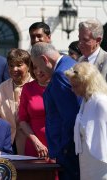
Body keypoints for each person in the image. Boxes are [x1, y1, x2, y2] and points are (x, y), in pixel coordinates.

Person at [31, 42, 81, 180]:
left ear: (44, 59)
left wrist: (63, 149)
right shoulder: (70, 62)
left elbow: (70, 117)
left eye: (39, 66)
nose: (40, 71)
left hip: (68, 150)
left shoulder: (59, 75)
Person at [65, 62, 107, 180]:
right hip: (88, 161)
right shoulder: (86, 101)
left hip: (102, 163)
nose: (72, 90)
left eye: (75, 86)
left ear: (86, 83)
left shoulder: (100, 101)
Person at [78, 19, 107, 129]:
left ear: (97, 40)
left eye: (85, 40)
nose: (80, 43)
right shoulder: (80, 61)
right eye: (79, 38)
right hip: (83, 128)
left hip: (103, 128)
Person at [0, 48, 32, 155]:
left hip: (31, 142)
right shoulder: (2, 87)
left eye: (19, 65)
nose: (14, 69)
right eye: (11, 66)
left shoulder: (36, 85)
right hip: (8, 143)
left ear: (28, 66)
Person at [18, 60, 51, 158]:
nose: (38, 71)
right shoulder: (28, 88)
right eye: (35, 68)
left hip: (57, 143)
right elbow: (22, 120)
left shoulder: (58, 86)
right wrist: (36, 142)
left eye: (41, 67)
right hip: (34, 145)